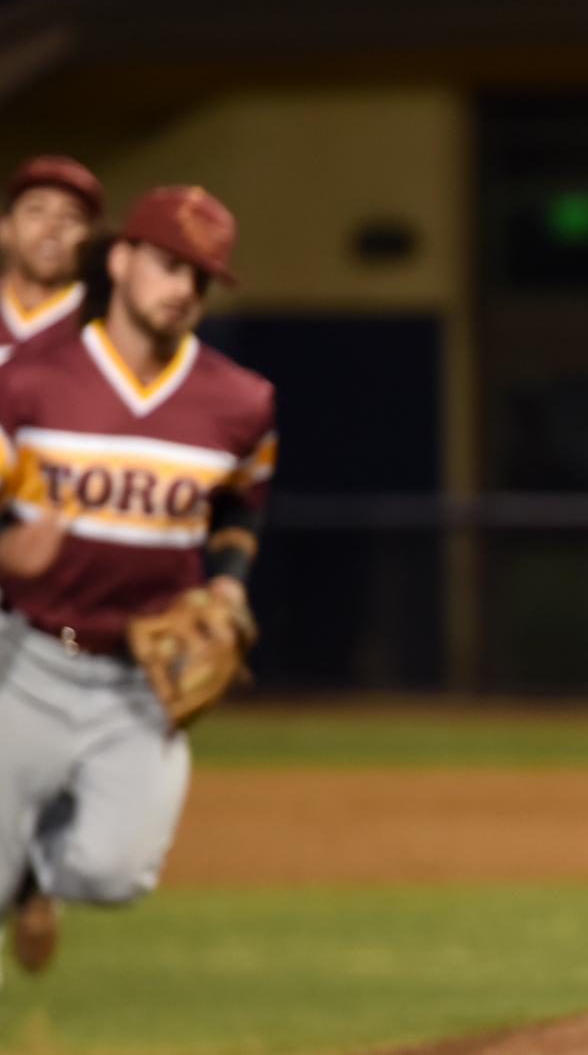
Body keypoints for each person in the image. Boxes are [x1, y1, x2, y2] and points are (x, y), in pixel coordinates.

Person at [0, 185, 275, 980]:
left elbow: (241, 503)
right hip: (30, 656)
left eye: (201, 276)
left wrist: (229, 581)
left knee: (114, 874)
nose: (183, 288)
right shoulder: (28, 384)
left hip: (142, 676)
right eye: (168, 265)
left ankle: (38, 876)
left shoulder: (242, 400)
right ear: (120, 260)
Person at [0, 155, 104, 363]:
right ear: (5, 227)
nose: (52, 228)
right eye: (36, 210)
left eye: (71, 216)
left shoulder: (104, 324)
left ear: (90, 239)